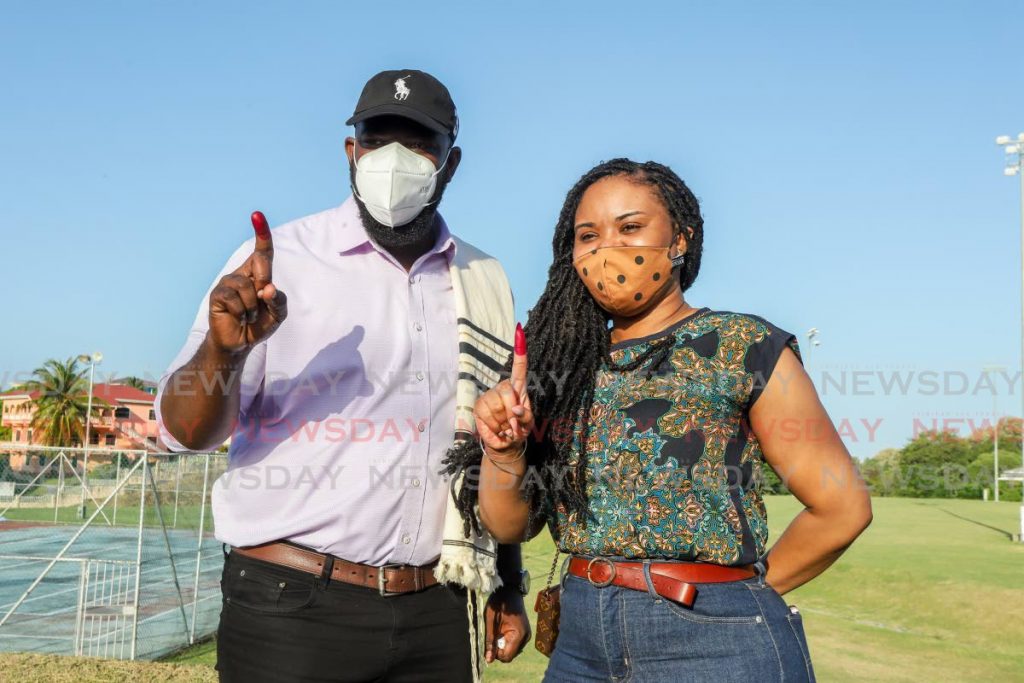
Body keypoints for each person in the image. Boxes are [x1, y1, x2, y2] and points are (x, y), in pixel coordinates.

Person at [156, 69, 530, 683]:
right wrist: (224, 353)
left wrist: (506, 583)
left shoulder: (481, 277)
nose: (394, 161)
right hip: (292, 605)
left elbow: (496, 437)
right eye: (378, 140)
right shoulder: (281, 265)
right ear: (351, 151)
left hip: (437, 607)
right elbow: (185, 431)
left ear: (449, 162)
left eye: (417, 145)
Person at [465, 158, 873, 682]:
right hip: (581, 640)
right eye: (587, 235)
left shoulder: (742, 344)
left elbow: (842, 506)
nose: (606, 247)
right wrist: (504, 453)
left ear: (681, 239)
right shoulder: (559, 365)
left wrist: (740, 598)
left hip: (717, 640)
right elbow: (512, 525)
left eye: (630, 227)